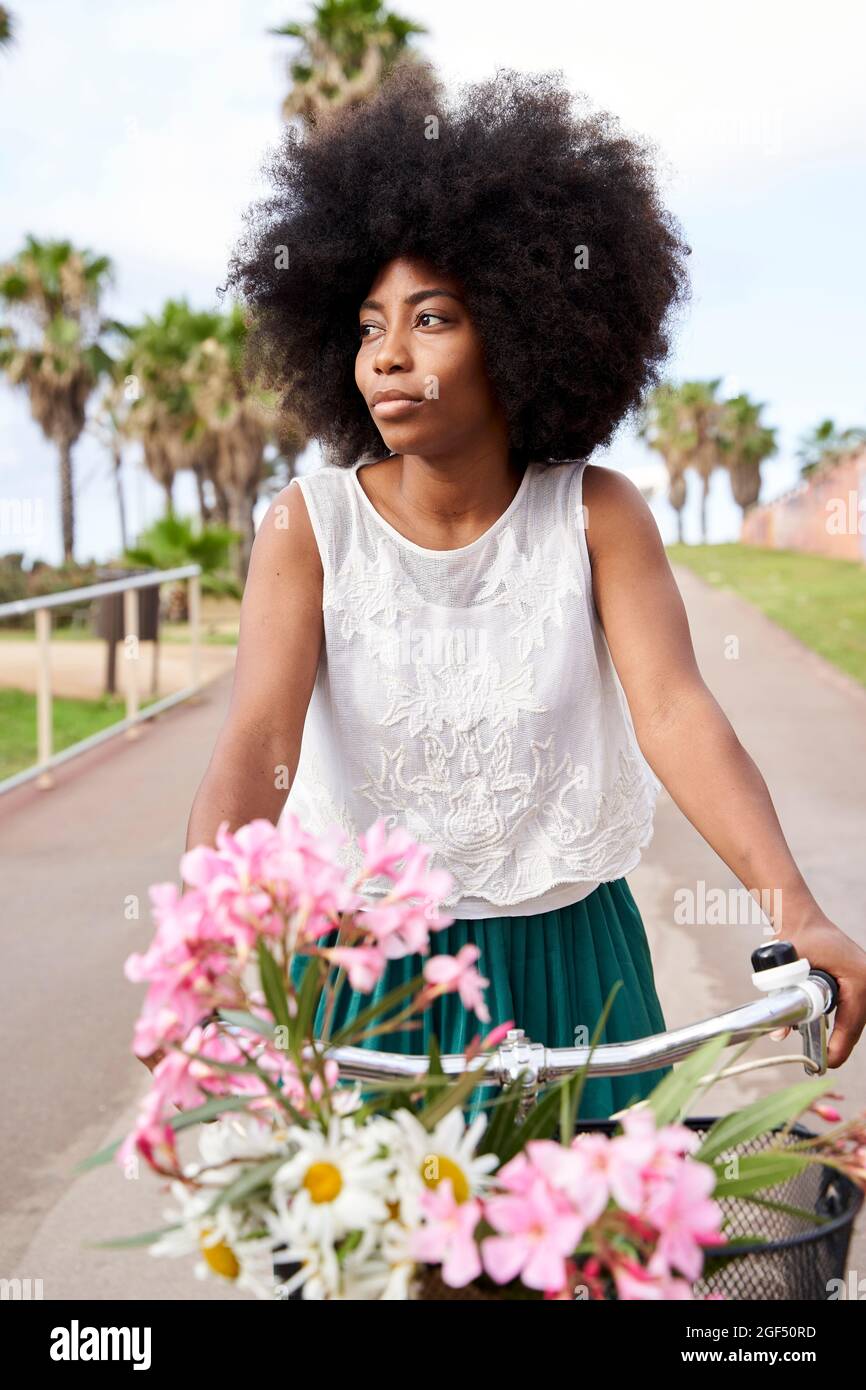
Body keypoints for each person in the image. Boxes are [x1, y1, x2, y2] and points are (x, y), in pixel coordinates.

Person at [174, 64, 866, 1124]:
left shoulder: (597, 514)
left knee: (581, 1270)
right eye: (365, 327)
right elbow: (257, 740)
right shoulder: (305, 525)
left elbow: (675, 712)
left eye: (432, 319)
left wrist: (798, 911)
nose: (388, 356)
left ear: (521, 323)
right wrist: (203, 942)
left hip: (570, 958)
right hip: (364, 976)